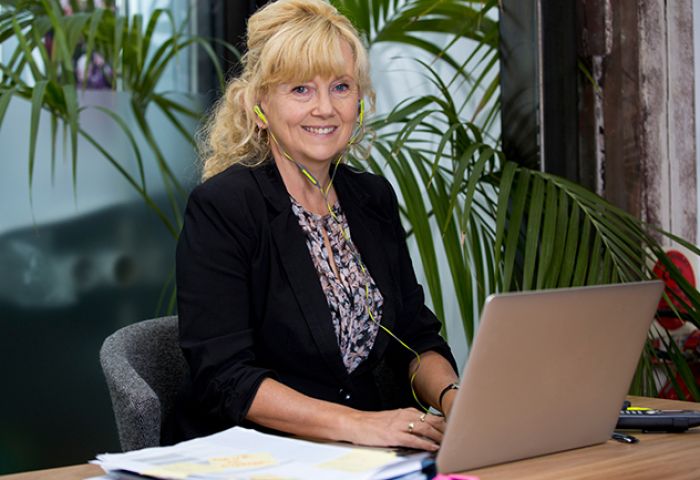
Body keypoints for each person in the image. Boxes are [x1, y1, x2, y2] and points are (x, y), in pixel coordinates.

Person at [175, 0, 460, 451]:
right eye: (301, 90)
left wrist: (453, 400)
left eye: (341, 87)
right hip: (256, 454)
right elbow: (225, 376)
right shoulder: (224, 207)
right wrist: (358, 424)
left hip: (365, 456)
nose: (325, 108)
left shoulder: (372, 199)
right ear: (260, 104)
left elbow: (416, 338)